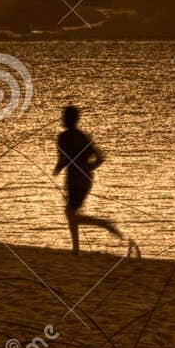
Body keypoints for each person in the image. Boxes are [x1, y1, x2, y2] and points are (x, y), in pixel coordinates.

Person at [53, 105, 137, 256]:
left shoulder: (63, 137)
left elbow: (63, 159)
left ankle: (104, 224)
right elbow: (100, 158)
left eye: (63, 116)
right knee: (71, 212)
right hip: (86, 178)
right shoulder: (83, 136)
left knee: (71, 213)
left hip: (74, 179)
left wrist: (56, 170)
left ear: (66, 119)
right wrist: (88, 168)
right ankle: (76, 249)